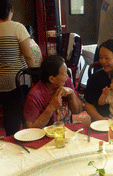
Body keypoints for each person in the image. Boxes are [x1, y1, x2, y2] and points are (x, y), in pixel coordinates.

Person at [0, 0, 35, 136]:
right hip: (16, 80)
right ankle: (16, 138)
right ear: (11, 10)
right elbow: (28, 56)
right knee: (15, 113)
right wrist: (35, 75)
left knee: (7, 112)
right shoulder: (17, 27)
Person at [24, 55, 83, 128]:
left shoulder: (66, 82)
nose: (67, 76)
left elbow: (78, 111)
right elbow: (31, 128)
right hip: (45, 135)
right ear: (52, 79)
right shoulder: (35, 95)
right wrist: (51, 107)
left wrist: (71, 93)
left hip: (67, 131)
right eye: (64, 73)